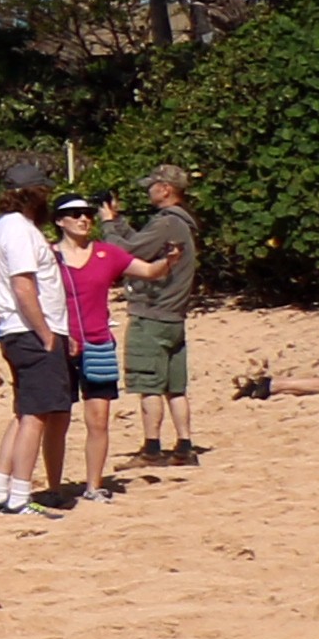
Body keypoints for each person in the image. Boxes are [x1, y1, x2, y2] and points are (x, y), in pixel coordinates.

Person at [0, 179, 74, 514]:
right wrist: (46, 334)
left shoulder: (6, 227)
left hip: (19, 331)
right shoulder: (19, 229)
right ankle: (20, 497)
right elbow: (23, 286)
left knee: (23, 414)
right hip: (30, 331)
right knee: (37, 415)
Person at [117, 169, 201, 463]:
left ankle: (152, 449)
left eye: (152, 186)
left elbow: (125, 252)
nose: (148, 191)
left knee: (148, 385)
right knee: (175, 388)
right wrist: (118, 221)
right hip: (174, 318)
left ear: (165, 189)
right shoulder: (182, 224)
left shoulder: (167, 223)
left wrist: (107, 224)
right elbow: (140, 244)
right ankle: (184, 446)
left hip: (152, 317)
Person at [56, 197, 126, 432]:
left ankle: (94, 472)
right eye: (75, 214)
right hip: (60, 344)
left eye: (87, 213)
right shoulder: (47, 256)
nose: (84, 218)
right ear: (59, 221)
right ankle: (53, 471)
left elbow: (146, 269)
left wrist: (169, 260)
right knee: (56, 418)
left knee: (99, 421)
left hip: (99, 345)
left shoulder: (106, 253)